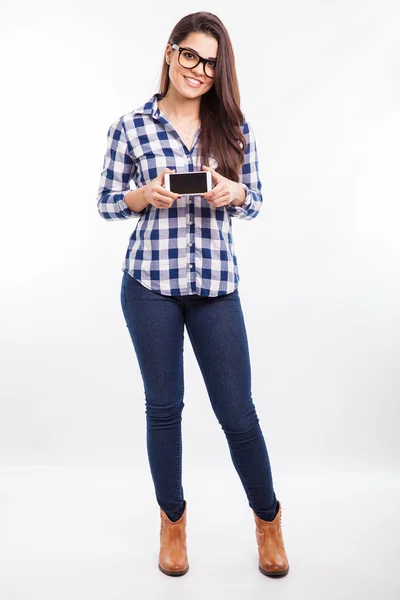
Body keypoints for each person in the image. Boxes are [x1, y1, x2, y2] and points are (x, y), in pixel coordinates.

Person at [96, 11, 289, 578]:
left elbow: (255, 203)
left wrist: (234, 192)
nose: (200, 70)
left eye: (211, 62)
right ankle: (173, 523)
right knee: (164, 410)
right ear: (169, 53)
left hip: (215, 288)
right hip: (149, 286)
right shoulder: (129, 127)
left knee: (238, 413)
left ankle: (269, 520)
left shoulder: (234, 127)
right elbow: (107, 203)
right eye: (191, 56)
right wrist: (144, 196)